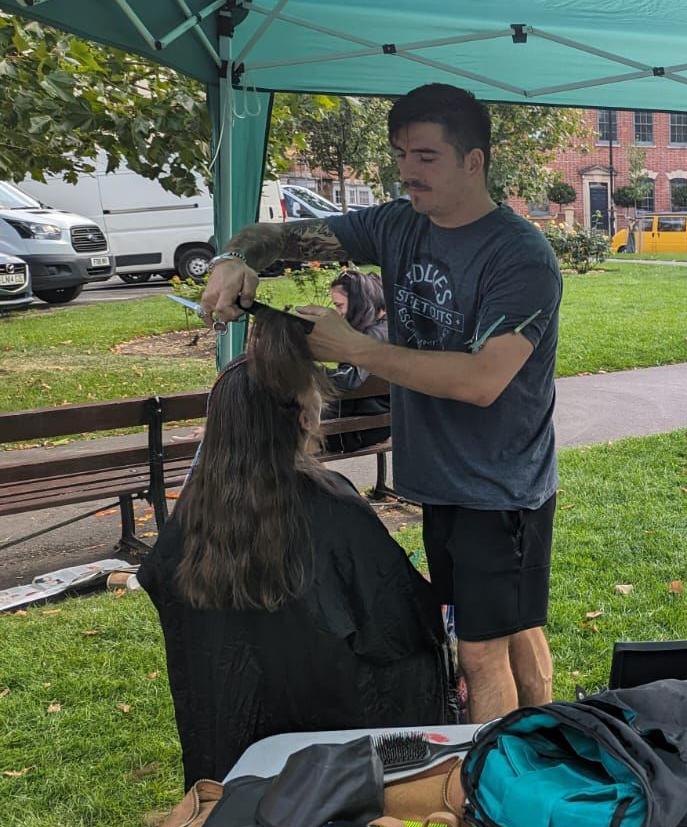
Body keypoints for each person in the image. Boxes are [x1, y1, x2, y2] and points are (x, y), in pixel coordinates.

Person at [201, 83, 562, 722]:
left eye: (425, 157)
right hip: (442, 481)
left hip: (500, 486)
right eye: (399, 155)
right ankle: (546, 739)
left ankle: (499, 787)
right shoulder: (395, 223)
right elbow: (281, 235)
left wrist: (355, 348)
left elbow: (483, 381)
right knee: (509, 625)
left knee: (479, 653)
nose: (406, 172)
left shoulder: (519, 255)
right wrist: (235, 258)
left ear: (473, 161)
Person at [137, 312, 448, 786]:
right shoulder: (333, 505)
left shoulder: (192, 511)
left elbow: (159, 580)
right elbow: (401, 620)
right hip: (338, 737)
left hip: (230, 751)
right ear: (305, 417)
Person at [323, 268, 391, 453]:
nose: (337, 313)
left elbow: (348, 379)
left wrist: (309, 372)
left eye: (339, 306)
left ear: (357, 304)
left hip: (351, 432)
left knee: (284, 420)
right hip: (377, 424)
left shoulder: (370, 337)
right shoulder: (388, 328)